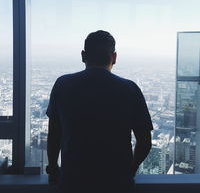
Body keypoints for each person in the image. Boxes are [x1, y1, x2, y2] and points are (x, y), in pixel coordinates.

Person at [46, 30, 153, 193]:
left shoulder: (63, 85)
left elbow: (54, 134)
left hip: (73, 182)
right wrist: (130, 169)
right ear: (114, 57)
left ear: (83, 56)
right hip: (117, 183)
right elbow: (144, 141)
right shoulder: (130, 89)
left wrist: (53, 169)